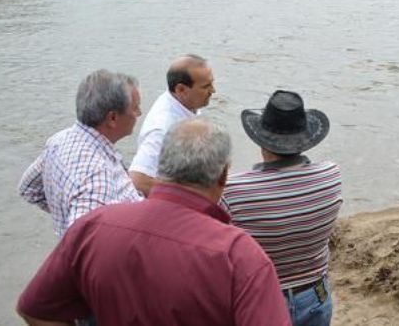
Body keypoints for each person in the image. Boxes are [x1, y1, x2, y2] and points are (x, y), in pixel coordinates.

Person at [17, 118, 291, 326]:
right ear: (223, 176)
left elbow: (35, 310)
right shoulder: (239, 257)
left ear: (162, 166)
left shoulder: (92, 227)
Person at [225, 90, 342, 326]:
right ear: (305, 138)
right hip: (315, 294)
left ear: (261, 141)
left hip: (263, 298)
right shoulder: (331, 175)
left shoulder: (233, 191)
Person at [18, 70, 143, 238]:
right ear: (112, 118)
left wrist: (64, 211)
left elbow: (28, 189)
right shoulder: (96, 172)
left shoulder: (58, 141)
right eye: (135, 108)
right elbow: (86, 244)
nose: (139, 113)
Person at [129, 54, 215, 195]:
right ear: (181, 90)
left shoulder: (186, 102)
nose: (213, 90)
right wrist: (190, 196)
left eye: (211, 83)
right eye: (206, 86)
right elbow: (138, 180)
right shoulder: (162, 129)